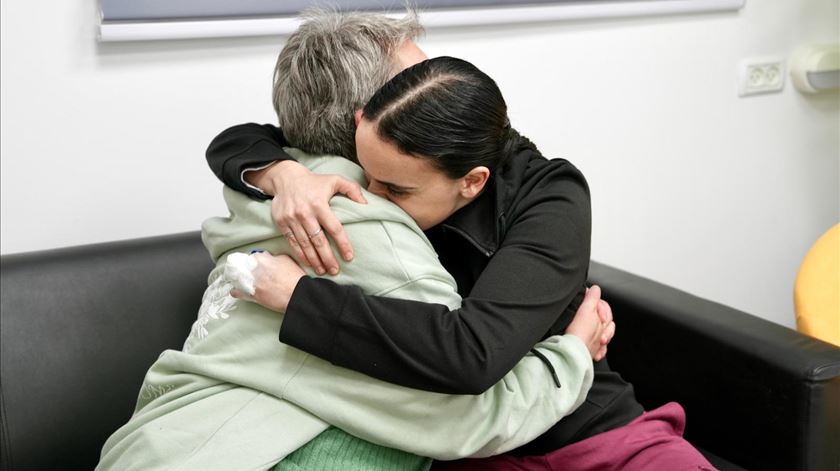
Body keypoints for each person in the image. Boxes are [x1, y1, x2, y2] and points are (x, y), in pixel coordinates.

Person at [97, 11, 614, 471]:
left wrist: (282, 189)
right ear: (366, 118)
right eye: (410, 79)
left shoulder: (266, 194)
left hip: (155, 440)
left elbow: (468, 356)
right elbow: (467, 416)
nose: (429, 85)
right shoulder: (356, 223)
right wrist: (571, 353)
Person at [208, 56, 716, 471]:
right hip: (468, 447)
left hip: (592, 433)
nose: (374, 198)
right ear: (361, 122)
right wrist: (284, 175)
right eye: (368, 175)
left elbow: (472, 352)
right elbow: (237, 140)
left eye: (396, 191)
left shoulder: (549, 195)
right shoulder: (388, 145)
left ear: (471, 182)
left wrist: (300, 298)